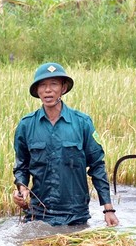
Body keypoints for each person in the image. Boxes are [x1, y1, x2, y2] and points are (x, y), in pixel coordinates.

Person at [12, 62, 119, 226]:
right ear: (37, 91)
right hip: (39, 214)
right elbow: (22, 166)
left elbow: (97, 165)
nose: (48, 90)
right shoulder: (26, 125)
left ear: (63, 88)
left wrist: (108, 209)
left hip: (76, 215)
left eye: (53, 84)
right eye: (42, 85)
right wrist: (22, 188)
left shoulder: (82, 123)